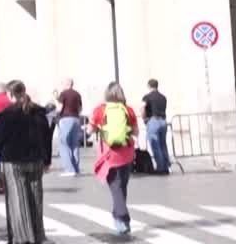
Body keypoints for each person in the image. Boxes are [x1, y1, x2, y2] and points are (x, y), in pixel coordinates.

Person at [0, 81, 51, 244]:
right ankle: (37, 235)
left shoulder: (6, 115)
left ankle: (22, 237)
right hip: (36, 160)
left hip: (14, 161)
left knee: (18, 200)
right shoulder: (39, 113)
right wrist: (47, 160)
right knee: (35, 198)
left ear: (10, 95)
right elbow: (46, 138)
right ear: (24, 91)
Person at [87, 83, 138, 235]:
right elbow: (136, 132)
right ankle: (121, 220)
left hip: (110, 154)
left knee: (116, 188)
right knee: (122, 187)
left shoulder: (100, 110)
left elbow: (90, 130)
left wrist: (95, 128)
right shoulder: (128, 110)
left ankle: (122, 218)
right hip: (127, 153)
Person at [55, 79, 84, 176]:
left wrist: (56, 116)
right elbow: (80, 108)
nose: (62, 85)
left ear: (67, 84)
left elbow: (59, 108)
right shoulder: (77, 94)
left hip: (65, 119)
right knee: (74, 144)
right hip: (76, 119)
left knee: (63, 143)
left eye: (62, 83)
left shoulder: (63, 93)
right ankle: (76, 169)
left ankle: (69, 169)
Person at [141, 79, 170, 175]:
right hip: (163, 121)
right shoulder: (163, 97)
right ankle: (166, 166)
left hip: (153, 121)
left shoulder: (147, 97)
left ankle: (160, 168)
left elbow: (142, 108)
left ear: (149, 86)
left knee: (155, 145)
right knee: (163, 144)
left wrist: (144, 119)